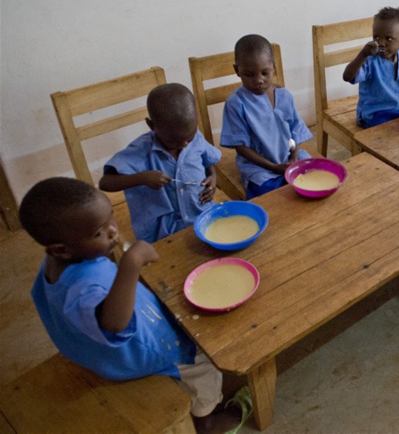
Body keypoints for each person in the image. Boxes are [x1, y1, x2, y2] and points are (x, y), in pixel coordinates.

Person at [19, 177, 239, 432]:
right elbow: (113, 324)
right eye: (98, 232)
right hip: (129, 357)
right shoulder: (84, 289)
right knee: (202, 362)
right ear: (60, 250)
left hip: (83, 347)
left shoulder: (55, 263)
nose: (113, 230)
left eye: (110, 217)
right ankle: (207, 421)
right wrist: (131, 263)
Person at [99, 83, 221, 243]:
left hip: (201, 215)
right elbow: (105, 183)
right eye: (174, 141)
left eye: (189, 138)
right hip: (163, 232)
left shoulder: (194, 136)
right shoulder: (141, 150)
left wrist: (212, 177)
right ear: (151, 126)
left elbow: (206, 159)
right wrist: (142, 178)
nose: (185, 144)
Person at [221, 34, 312, 199]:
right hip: (259, 166)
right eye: (249, 74)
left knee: (313, 174)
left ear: (274, 67)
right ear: (237, 71)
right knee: (269, 195)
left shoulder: (284, 96)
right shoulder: (236, 103)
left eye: (265, 73)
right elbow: (241, 147)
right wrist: (274, 167)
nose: (258, 80)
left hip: (286, 156)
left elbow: (296, 131)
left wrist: (294, 157)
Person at [343, 7, 399, 128]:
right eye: (376, 37)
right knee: (390, 136)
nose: (381, 43)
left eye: (388, 38)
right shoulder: (370, 60)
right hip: (376, 114)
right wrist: (363, 54)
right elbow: (347, 77)